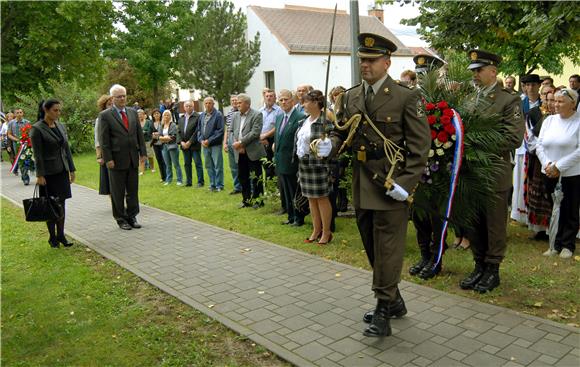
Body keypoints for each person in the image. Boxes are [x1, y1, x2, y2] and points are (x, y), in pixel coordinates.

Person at [328, 33, 430, 337]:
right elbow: (342, 131)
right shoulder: (351, 95)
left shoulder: (406, 96)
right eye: (362, 60)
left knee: (388, 248)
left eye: (371, 60)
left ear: (387, 62)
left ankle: (384, 309)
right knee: (373, 247)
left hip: (389, 184)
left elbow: (419, 147)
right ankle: (394, 299)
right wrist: (330, 145)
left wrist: (405, 183)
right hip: (363, 183)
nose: (365, 65)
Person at [460, 50, 524, 293]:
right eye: (473, 71)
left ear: (493, 71)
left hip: (495, 170)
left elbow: (513, 137)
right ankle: (479, 265)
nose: (474, 75)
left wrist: (476, 143)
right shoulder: (470, 99)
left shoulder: (508, 100)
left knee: (494, 223)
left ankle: (492, 270)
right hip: (471, 171)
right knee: (474, 221)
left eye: (479, 70)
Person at [408, 53, 448, 280]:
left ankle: (436, 258)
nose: (422, 80)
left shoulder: (444, 99)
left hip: (437, 165)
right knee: (418, 214)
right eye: (420, 76)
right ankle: (424, 254)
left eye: (427, 75)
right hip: (416, 166)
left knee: (435, 216)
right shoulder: (412, 98)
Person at [536, 88, 580, 259]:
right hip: (548, 172)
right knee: (553, 208)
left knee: (570, 209)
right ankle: (554, 242)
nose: (555, 104)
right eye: (554, 100)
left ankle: (567, 245)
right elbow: (539, 145)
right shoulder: (549, 121)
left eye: (560, 101)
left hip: (571, 174)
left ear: (572, 103)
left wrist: (559, 166)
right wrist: (548, 164)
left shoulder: (578, 122)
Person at [98, 84, 147, 230]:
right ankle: (120, 218)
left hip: (132, 157)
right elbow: (104, 140)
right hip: (116, 160)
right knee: (118, 192)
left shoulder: (132, 112)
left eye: (124, 96)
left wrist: (143, 153)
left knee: (133, 190)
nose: (122, 99)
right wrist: (108, 159)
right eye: (119, 96)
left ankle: (132, 216)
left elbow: (139, 134)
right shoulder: (105, 115)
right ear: (112, 98)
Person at [30, 99, 76, 248]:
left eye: (59, 110)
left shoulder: (60, 126)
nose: (58, 113)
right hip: (48, 174)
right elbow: (38, 155)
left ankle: (61, 235)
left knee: (61, 204)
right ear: (46, 110)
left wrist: (71, 168)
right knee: (50, 205)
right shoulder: (37, 129)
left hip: (62, 171)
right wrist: (40, 175)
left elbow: (66, 149)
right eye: (55, 110)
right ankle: (52, 237)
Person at [296, 90, 335, 246]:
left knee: (322, 198)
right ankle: (316, 230)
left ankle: (326, 232)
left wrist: (327, 144)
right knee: (311, 199)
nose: (303, 104)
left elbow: (332, 139)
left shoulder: (324, 121)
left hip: (318, 165)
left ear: (315, 103)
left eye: (305, 101)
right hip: (304, 164)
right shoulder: (305, 121)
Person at [511, 74, 542, 225]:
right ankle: (520, 213)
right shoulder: (520, 103)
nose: (530, 88)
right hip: (522, 147)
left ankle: (535, 214)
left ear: (538, 86)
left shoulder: (545, 103)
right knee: (520, 179)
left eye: (533, 85)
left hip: (540, 149)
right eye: (527, 85)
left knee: (535, 181)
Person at [274, 89, 306, 226]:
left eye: (286, 99)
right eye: (281, 100)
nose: (283, 102)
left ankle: (299, 218)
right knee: (286, 191)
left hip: (292, 161)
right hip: (281, 160)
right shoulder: (280, 117)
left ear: (292, 101)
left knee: (294, 191)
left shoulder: (300, 117)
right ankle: (291, 216)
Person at [230, 94, 266, 209]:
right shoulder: (235, 115)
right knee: (243, 176)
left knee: (256, 177)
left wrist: (241, 143)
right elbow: (232, 131)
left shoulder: (257, 114)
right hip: (240, 152)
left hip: (253, 151)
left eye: (240, 103)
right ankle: (246, 200)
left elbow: (255, 133)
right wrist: (237, 144)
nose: (237, 105)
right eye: (237, 103)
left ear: (247, 104)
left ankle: (258, 200)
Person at [197, 97, 224, 192]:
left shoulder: (218, 115)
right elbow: (199, 130)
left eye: (210, 103)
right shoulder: (202, 115)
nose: (208, 105)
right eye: (206, 103)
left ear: (213, 104)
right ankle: (212, 184)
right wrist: (201, 140)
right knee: (208, 165)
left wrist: (209, 140)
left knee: (217, 165)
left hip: (215, 145)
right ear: (204, 104)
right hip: (204, 145)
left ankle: (219, 185)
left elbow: (220, 131)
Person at [177, 100, 202, 187]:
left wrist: (190, 142)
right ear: (184, 107)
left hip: (194, 144)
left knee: (198, 163)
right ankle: (188, 182)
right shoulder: (181, 118)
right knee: (187, 164)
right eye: (186, 106)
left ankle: (200, 182)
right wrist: (181, 142)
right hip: (184, 145)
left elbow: (197, 131)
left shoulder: (198, 117)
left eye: (190, 106)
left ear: (193, 106)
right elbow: (178, 132)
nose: (188, 107)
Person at [7, 108, 32, 183]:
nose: (19, 114)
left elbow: (30, 133)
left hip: (26, 144)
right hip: (16, 144)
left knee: (27, 159)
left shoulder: (27, 122)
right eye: (17, 113)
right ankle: (25, 178)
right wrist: (17, 140)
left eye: (20, 112)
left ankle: (25, 175)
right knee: (20, 160)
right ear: (15, 114)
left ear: (23, 113)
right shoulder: (11, 123)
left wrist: (27, 140)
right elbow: (9, 134)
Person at [223, 95, 242, 194]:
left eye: (236, 100)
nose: (234, 102)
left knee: (241, 164)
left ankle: (246, 186)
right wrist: (225, 142)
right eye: (232, 100)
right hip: (229, 138)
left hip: (237, 138)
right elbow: (227, 128)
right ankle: (237, 187)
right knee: (233, 165)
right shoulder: (229, 112)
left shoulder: (241, 112)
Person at [159, 110, 182, 186]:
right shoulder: (161, 125)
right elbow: (159, 136)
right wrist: (164, 138)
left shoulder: (173, 125)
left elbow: (173, 137)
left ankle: (179, 180)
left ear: (170, 116)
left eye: (168, 115)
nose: (166, 116)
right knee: (167, 164)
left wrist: (163, 138)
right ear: (163, 116)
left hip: (172, 146)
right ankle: (169, 180)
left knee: (176, 164)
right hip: (164, 147)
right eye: (165, 115)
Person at [95, 95, 113, 195]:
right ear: (104, 106)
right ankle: (115, 203)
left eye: (112, 104)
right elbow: (97, 139)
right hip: (106, 153)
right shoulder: (100, 119)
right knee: (108, 181)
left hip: (117, 153)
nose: (111, 106)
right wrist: (99, 156)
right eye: (109, 104)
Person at [150, 109, 167, 183]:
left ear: (160, 114)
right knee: (159, 160)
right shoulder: (151, 123)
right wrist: (152, 135)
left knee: (164, 160)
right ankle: (162, 177)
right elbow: (149, 132)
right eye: (155, 114)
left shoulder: (163, 122)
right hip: (155, 144)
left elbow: (166, 132)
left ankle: (167, 176)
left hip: (163, 143)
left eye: (158, 113)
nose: (156, 115)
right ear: (153, 115)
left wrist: (158, 134)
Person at [137, 109, 155, 175]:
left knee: (150, 155)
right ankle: (142, 171)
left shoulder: (148, 122)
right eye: (138, 115)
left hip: (148, 141)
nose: (140, 116)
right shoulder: (136, 123)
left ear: (144, 115)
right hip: (140, 142)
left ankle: (152, 168)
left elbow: (150, 131)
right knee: (141, 156)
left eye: (141, 114)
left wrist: (145, 132)